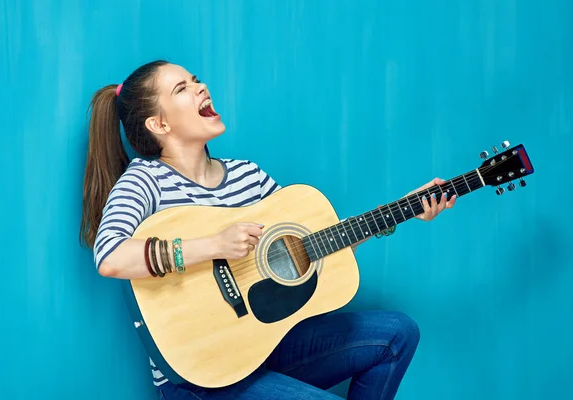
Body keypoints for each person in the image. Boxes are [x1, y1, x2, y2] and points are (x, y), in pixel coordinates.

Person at [79, 60, 456, 400]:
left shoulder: (249, 175)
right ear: (159, 124)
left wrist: (398, 212)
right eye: (182, 89)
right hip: (198, 378)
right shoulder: (146, 181)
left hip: (262, 350)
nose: (200, 87)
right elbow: (110, 256)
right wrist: (213, 245)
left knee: (397, 332)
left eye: (195, 80)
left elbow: (311, 253)